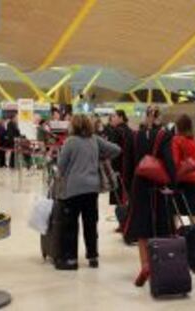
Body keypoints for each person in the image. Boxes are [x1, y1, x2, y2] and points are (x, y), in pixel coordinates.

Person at [57, 114, 121, 270]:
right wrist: (100, 156)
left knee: (71, 225)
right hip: (92, 189)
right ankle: (93, 257)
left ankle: (71, 260)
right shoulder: (94, 140)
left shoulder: (70, 142)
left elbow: (61, 166)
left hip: (73, 189)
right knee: (91, 224)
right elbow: (117, 149)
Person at [124, 105, 176, 287]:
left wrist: (129, 188)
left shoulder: (134, 136)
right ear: (159, 117)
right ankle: (160, 267)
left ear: (145, 116)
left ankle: (145, 265)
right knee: (162, 226)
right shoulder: (164, 136)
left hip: (139, 185)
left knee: (142, 227)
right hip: (159, 185)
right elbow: (170, 162)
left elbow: (128, 164)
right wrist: (172, 184)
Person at [104, 110, 135, 232]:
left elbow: (113, 151)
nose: (112, 118)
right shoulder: (130, 131)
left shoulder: (117, 131)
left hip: (119, 169)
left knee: (120, 198)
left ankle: (124, 224)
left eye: (114, 116)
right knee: (127, 197)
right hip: (129, 168)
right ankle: (127, 222)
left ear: (121, 117)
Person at [172, 114, 195, 224]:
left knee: (175, 212)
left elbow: (175, 161)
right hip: (193, 179)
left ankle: (174, 237)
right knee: (192, 212)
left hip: (181, 179)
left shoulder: (177, 140)